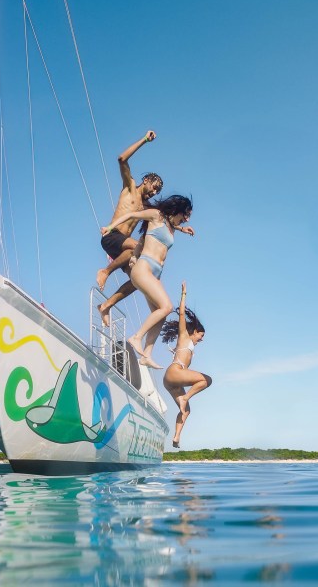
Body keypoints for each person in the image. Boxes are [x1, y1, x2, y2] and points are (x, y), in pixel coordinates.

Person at [99, 194, 194, 368]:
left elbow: (169, 224)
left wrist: (183, 229)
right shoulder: (156, 215)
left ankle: (146, 355)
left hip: (156, 274)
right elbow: (131, 215)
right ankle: (136, 337)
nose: (186, 219)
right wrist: (110, 227)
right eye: (186, 214)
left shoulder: (171, 226)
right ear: (178, 208)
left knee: (161, 316)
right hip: (144, 268)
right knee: (167, 307)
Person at [96, 130, 163, 326]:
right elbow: (121, 159)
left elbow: (165, 217)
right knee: (138, 248)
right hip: (111, 236)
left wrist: (183, 228)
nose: (154, 192)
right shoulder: (130, 186)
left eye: (158, 191)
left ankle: (106, 306)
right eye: (154, 187)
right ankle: (106, 272)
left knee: (137, 279)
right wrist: (144, 140)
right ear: (146, 181)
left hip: (123, 248)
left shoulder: (146, 206)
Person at [161, 281, 210, 448]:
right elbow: (181, 314)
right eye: (200, 336)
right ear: (194, 332)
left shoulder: (191, 345)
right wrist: (184, 294)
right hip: (175, 372)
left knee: (186, 410)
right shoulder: (184, 337)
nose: (201, 339)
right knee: (206, 380)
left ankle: (176, 437)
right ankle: (185, 398)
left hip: (171, 381)